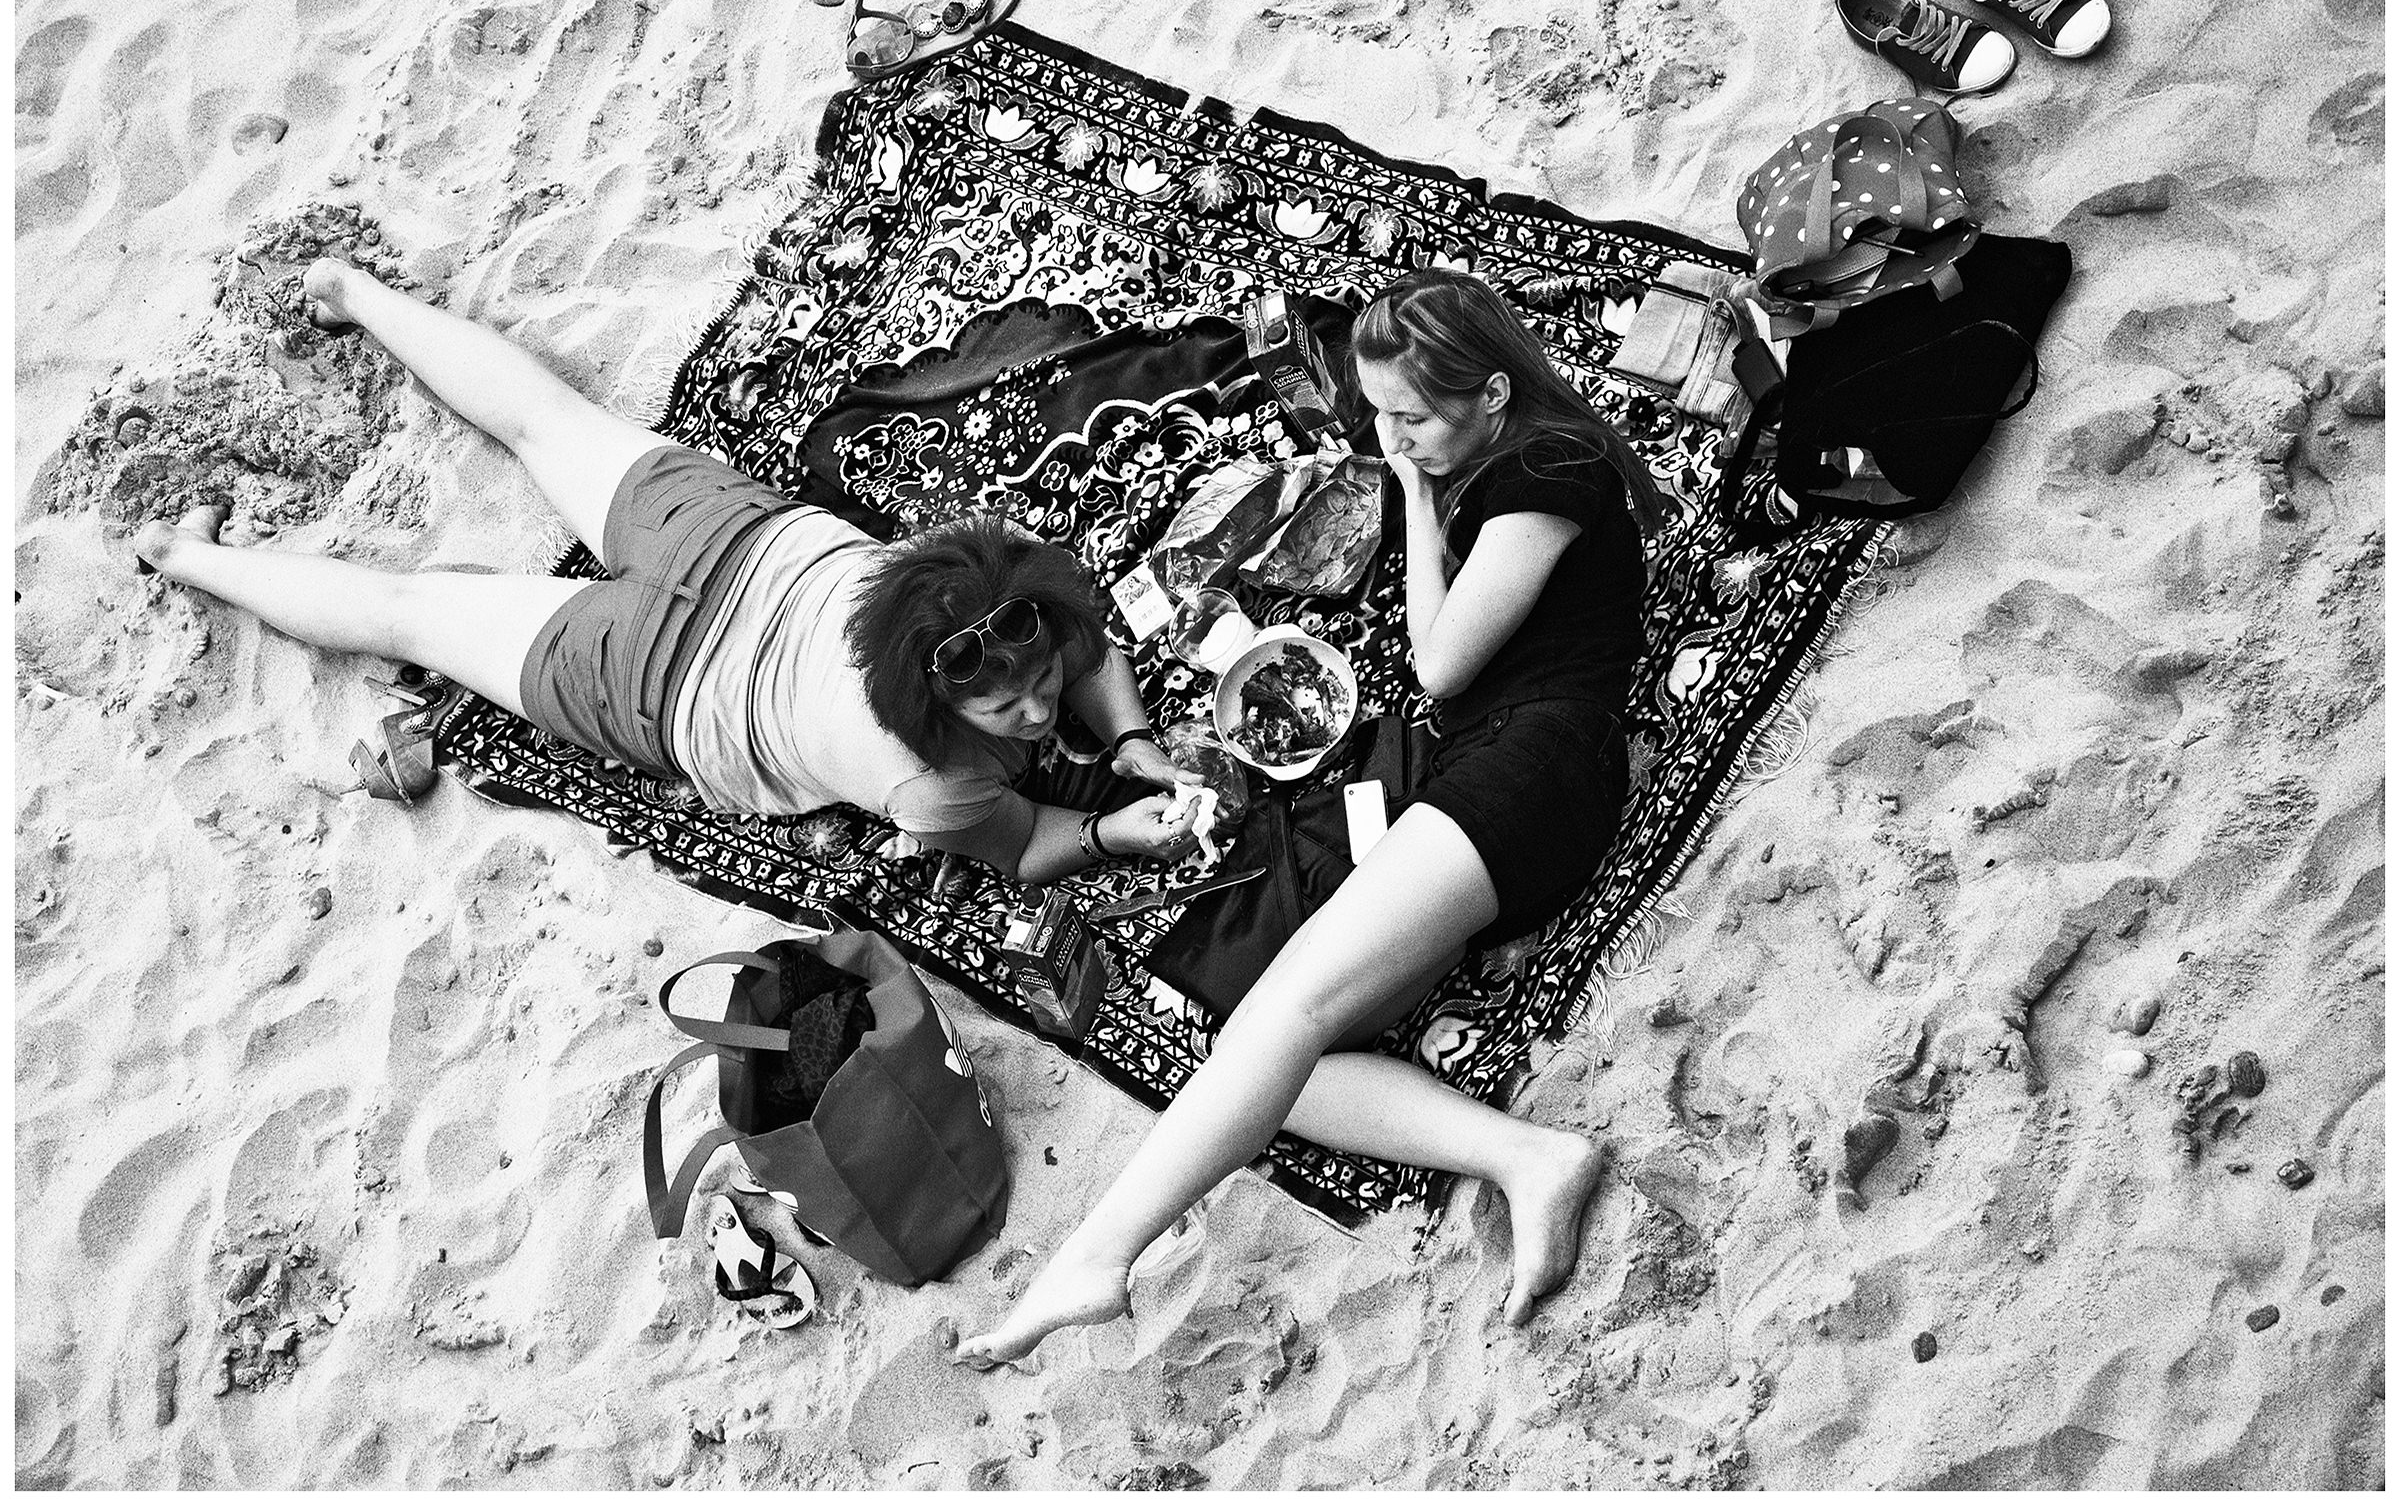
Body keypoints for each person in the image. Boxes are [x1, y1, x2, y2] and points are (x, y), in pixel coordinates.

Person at [957, 267, 1663, 1366]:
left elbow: (1438, 661)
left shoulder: (1541, 470)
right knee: (1275, 1060)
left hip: (1535, 771)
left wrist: (1424, 505)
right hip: (1492, 779)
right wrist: (1422, 483)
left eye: (1415, 416)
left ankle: (1097, 1254)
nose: (1392, 438)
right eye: (1379, 408)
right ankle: (1531, 1157)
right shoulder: (1495, 456)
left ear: (1491, 392)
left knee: (1281, 1012)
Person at [132, 258, 1198, 880]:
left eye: (1037, 679)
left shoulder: (989, 596)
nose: (1037, 704)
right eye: (1007, 700)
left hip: (733, 541)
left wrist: (1132, 734)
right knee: (412, 618)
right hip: (662, 683)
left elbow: (1084, 631)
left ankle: (350, 292)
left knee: (552, 425)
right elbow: (1023, 847)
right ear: (928, 695)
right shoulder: (942, 784)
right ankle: (183, 551)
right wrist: (1109, 828)